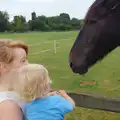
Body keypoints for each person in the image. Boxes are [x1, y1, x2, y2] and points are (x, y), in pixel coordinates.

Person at [10, 64, 75, 120]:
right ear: (47, 83)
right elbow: (71, 106)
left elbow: (39, 99)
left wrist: (48, 95)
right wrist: (64, 95)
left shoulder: (26, 104)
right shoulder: (57, 100)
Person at [0, 39, 29, 120]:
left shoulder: (14, 95)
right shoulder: (8, 106)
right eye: (23, 61)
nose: (28, 64)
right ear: (4, 67)